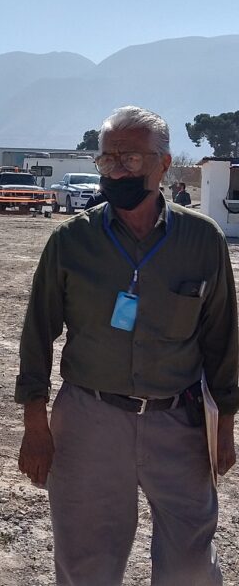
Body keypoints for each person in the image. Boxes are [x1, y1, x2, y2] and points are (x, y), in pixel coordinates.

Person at [16, 105, 237, 586]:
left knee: (191, 566)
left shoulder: (202, 241)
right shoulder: (70, 242)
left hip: (179, 423)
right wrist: (35, 422)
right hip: (89, 419)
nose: (117, 169)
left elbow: (222, 339)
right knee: (86, 563)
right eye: (108, 159)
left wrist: (225, 427)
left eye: (131, 159)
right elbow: (38, 333)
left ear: (164, 164)